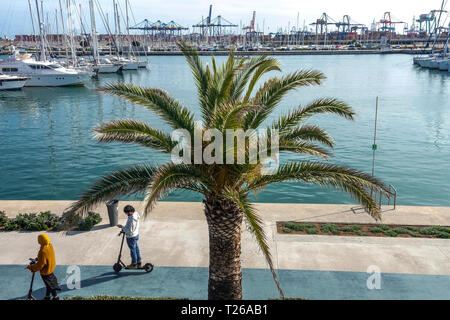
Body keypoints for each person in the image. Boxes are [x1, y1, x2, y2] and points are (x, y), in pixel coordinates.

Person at [27, 234, 61, 300]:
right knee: (49, 284)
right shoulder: (49, 245)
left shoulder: (42, 251)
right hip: (51, 267)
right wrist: (37, 259)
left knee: (50, 285)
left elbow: (41, 265)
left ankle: (56, 297)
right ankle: (47, 297)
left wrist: (31, 267)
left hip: (46, 271)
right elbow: (46, 257)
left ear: (40, 241)